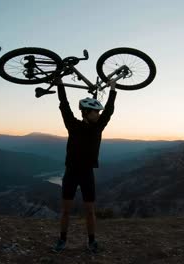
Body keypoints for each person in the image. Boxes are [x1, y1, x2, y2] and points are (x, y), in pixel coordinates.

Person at [52, 78, 117, 254]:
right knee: (65, 211)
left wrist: (112, 89)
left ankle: (92, 241)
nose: (98, 114)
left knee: (90, 211)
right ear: (86, 112)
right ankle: (62, 239)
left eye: (98, 112)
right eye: (95, 112)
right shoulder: (73, 125)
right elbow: (64, 104)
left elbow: (109, 110)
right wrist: (60, 84)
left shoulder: (98, 127)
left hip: (87, 173)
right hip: (71, 172)